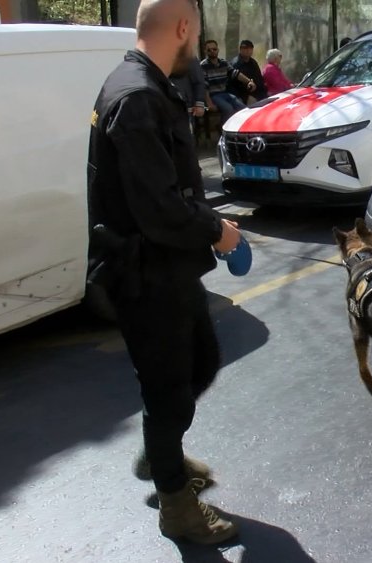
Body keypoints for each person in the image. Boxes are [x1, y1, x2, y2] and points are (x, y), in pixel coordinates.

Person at [86, 0, 243, 546]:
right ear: (181, 29)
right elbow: (157, 206)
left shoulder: (146, 87)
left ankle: (162, 451)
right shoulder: (136, 96)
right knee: (168, 389)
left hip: (169, 270)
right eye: (196, 37)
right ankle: (177, 505)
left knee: (201, 360)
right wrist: (217, 229)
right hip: (145, 276)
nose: (198, 50)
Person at [199, 39, 247, 124]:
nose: (212, 51)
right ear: (205, 51)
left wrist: (249, 81)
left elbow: (235, 73)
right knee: (228, 109)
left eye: (214, 49)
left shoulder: (223, 63)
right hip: (213, 95)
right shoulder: (203, 65)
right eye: (209, 50)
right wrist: (209, 103)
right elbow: (204, 86)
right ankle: (224, 129)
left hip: (225, 93)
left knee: (242, 107)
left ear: (218, 49)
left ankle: (240, 128)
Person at [170, 53, 210, 134]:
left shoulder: (188, 56)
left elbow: (198, 81)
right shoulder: (158, 54)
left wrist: (199, 103)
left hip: (184, 106)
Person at [227, 39, 267, 104]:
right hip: (241, 94)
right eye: (245, 48)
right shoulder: (235, 64)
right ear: (240, 50)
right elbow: (234, 84)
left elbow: (259, 79)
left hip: (256, 92)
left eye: (250, 48)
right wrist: (246, 96)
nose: (248, 50)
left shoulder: (253, 63)